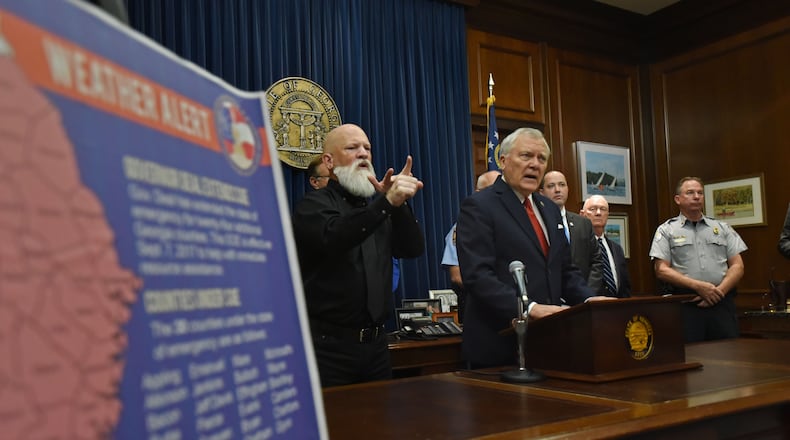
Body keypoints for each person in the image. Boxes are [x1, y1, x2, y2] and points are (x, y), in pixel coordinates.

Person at [456, 127, 608, 368]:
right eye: (526, 156)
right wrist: (529, 308)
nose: (535, 165)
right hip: (498, 346)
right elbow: (477, 276)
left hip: (548, 341)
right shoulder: (479, 206)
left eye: (541, 159)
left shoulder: (548, 209)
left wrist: (590, 301)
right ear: (503, 161)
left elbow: (565, 271)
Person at [292, 123, 425, 387]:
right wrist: (386, 203)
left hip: (377, 347)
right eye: (352, 148)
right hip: (328, 350)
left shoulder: (378, 209)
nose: (363, 153)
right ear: (329, 161)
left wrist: (397, 206)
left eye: (367, 148)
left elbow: (412, 248)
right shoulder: (314, 205)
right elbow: (338, 237)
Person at [649, 177, 747, 343]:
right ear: (677, 199)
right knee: (692, 357)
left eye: (700, 193)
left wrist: (718, 292)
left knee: (729, 356)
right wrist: (698, 286)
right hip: (687, 305)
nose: (696, 196)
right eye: (690, 193)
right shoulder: (667, 230)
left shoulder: (722, 227)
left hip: (721, 304)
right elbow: (661, 270)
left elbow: (738, 265)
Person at [441, 170, 500, 322]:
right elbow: (457, 276)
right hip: (478, 307)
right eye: (493, 190)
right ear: (478, 193)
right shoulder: (462, 228)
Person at [540, 170, 603, 292]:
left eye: (562, 185)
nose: (557, 190)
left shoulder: (583, 223)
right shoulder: (538, 223)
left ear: (568, 189)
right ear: (541, 193)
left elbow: (596, 261)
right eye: (551, 186)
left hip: (584, 297)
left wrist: (587, 293)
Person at [581, 195, 631, 297]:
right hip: (588, 307)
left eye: (603, 209)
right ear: (582, 214)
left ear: (607, 215)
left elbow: (625, 286)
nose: (598, 213)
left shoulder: (617, 249)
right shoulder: (577, 246)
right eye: (593, 209)